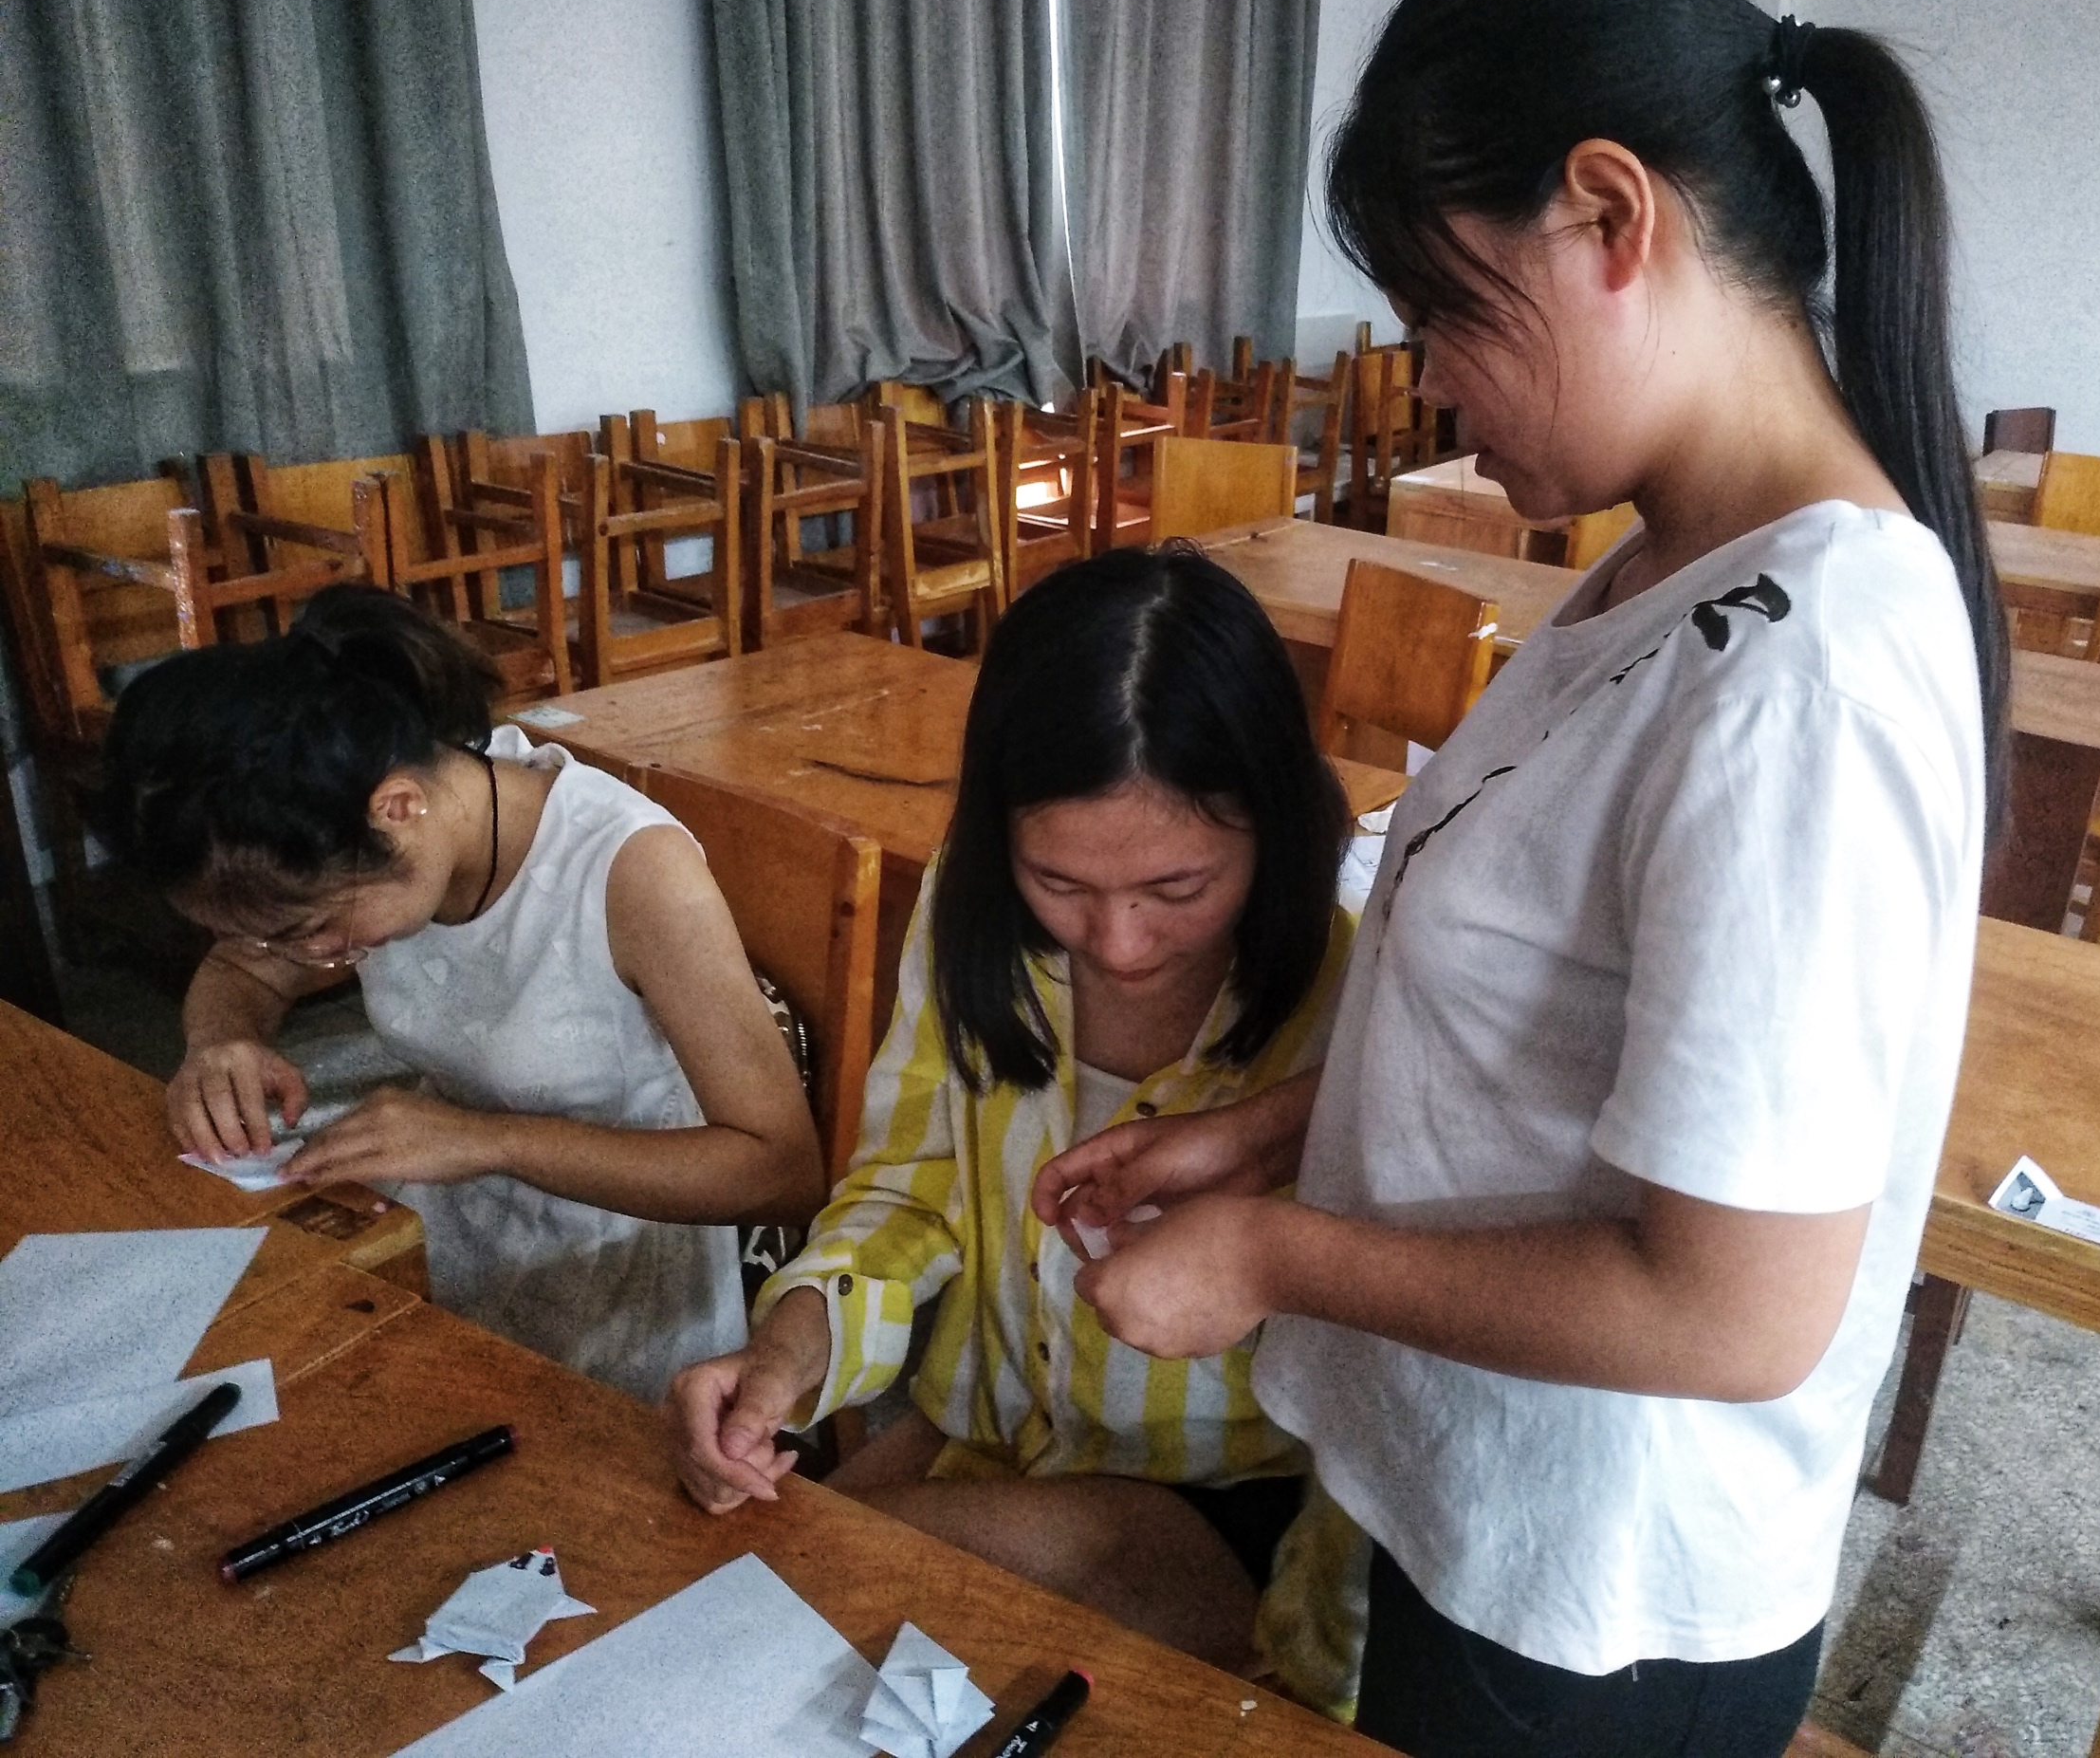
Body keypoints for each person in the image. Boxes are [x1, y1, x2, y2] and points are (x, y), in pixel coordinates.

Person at [1036, 0, 2007, 1758]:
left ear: (1608, 216)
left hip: (1602, 1608)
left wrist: (1272, 1256)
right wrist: (1261, 1139)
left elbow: (1732, 1311)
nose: (1431, 382)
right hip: (1499, 1513)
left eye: (1449, 313)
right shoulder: (1668, 573)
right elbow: (1546, 1053)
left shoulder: (1799, 674)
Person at [664, 547, 1357, 1689]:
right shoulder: (973, 906)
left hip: (1230, 1498)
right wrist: (783, 1357)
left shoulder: (1358, 977)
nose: (1119, 944)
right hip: (994, 1441)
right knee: (733, 1615)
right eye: (1061, 885)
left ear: (1273, 828)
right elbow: (910, 1187)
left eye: (1178, 890)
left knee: (781, 1604)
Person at [91, 585, 821, 1404]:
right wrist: (218, 1040)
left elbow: (781, 1172)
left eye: (314, 927)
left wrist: (489, 1141)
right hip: (448, 1217)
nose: (303, 956)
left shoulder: (630, 872)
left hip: (620, 1275)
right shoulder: (397, 826)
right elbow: (243, 969)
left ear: (397, 809)